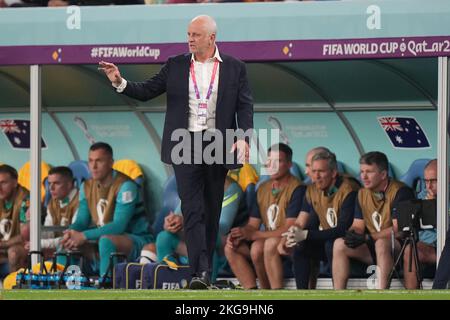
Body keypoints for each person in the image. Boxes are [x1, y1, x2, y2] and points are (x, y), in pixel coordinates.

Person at [99, 14, 253, 289]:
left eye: (195, 34)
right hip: (185, 143)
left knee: (210, 211)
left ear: (211, 37)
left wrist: (243, 138)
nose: (190, 39)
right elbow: (146, 90)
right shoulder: (176, 65)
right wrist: (119, 81)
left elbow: (245, 106)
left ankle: (206, 274)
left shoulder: (234, 67)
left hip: (218, 143)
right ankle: (199, 274)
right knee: (192, 209)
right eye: (188, 34)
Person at [61, 142, 154, 278]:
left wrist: (83, 236)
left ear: (111, 163)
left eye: (99, 161)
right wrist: (71, 232)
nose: (93, 166)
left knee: (106, 241)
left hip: (136, 239)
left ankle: (107, 285)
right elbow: (81, 220)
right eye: (91, 161)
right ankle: (62, 287)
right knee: (65, 244)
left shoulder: (126, 186)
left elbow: (119, 226)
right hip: (102, 237)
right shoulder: (86, 186)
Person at [224, 143, 305, 289]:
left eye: (278, 161)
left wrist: (255, 235)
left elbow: (290, 228)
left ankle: (274, 292)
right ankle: (253, 292)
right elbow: (253, 225)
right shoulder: (262, 188)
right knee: (231, 247)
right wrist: (241, 234)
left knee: (262, 246)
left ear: (289, 164)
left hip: (289, 239)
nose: (272, 165)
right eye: (269, 161)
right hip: (267, 237)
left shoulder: (297, 188)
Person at [332, 151, 414, 289]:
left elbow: (399, 230)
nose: (363, 176)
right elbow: (358, 225)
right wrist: (353, 234)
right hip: (371, 244)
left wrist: (368, 237)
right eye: (362, 171)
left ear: (383, 174)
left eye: (369, 172)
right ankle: (338, 294)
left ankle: (381, 294)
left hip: (397, 247)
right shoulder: (362, 193)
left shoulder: (401, 191)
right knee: (339, 244)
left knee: (381, 243)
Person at [279, 149, 360, 289]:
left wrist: (305, 234)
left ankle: (338, 293)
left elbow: (342, 230)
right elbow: (303, 221)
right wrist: (293, 234)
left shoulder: (349, 190)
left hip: (350, 245)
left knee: (331, 243)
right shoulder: (312, 190)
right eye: (313, 170)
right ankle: (302, 295)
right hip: (327, 242)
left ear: (333, 172)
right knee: (301, 245)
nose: (316, 176)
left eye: (321, 171)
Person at [155, 176, 247, 282]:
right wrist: (170, 224)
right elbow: (178, 216)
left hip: (220, 243)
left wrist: (187, 221)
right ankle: (168, 281)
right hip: (191, 242)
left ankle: (208, 284)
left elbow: (222, 227)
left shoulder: (230, 188)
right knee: (164, 237)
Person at [397, 159, 437, 289]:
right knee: (410, 249)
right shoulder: (422, 196)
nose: (428, 186)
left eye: (433, 181)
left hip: (445, 246)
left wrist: (433, 207)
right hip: (429, 247)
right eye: (426, 181)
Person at [39, 166, 79, 254]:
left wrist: (39, 243)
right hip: (59, 249)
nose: (51, 188)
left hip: (76, 251)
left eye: (56, 183)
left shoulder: (80, 201)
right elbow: (48, 232)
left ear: (69, 184)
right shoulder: (53, 202)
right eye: (49, 183)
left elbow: (71, 238)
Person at [0, 164, 29, 272]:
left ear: (15, 182)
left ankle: (14, 287)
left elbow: (25, 235)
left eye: (3, 183)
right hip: (3, 246)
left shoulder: (25, 200)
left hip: (23, 245)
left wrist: (4, 244)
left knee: (13, 253)